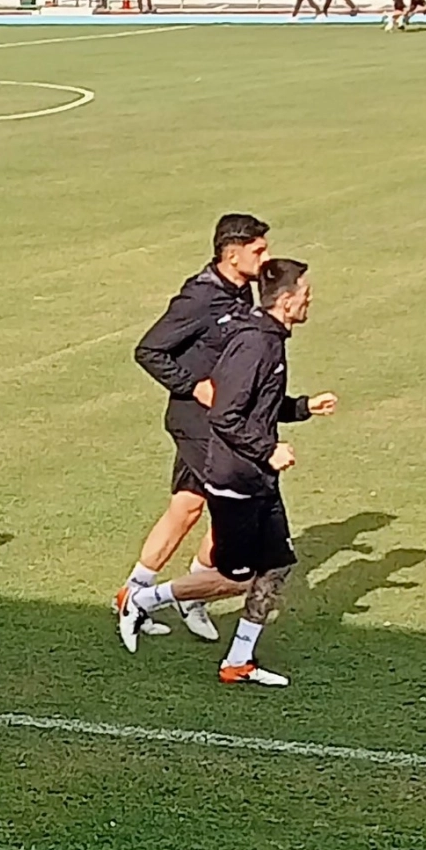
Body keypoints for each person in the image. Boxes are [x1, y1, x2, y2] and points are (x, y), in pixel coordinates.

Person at [117, 214, 270, 652]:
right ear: (232, 254)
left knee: (186, 507)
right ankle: (187, 595)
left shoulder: (242, 290)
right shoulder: (199, 298)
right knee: (232, 506)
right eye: (259, 250)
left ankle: (134, 593)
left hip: (222, 420)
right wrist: (194, 386)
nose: (266, 258)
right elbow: (149, 350)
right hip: (197, 421)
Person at [204, 260, 335, 687]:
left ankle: (238, 660)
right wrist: (268, 449)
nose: (310, 300)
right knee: (233, 576)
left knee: (277, 566)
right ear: (286, 300)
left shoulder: (271, 339)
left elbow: (262, 405)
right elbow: (225, 415)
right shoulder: (256, 344)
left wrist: (304, 406)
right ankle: (143, 597)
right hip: (237, 478)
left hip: (257, 477)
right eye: (306, 294)